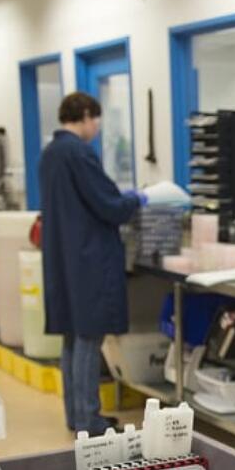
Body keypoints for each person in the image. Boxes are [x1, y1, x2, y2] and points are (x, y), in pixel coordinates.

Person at [41, 92, 148, 435]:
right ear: (86, 115)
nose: (97, 128)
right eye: (96, 120)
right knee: (88, 337)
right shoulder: (78, 152)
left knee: (73, 338)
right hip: (88, 259)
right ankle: (90, 420)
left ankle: (76, 416)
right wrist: (136, 198)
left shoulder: (50, 154)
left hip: (64, 259)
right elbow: (108, 205)